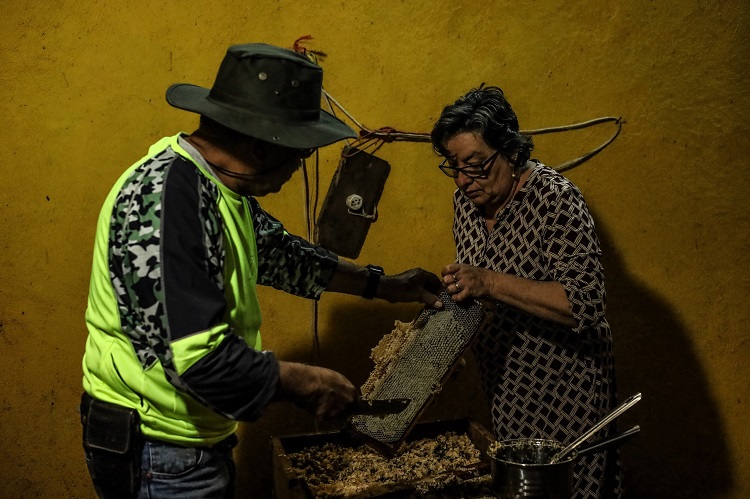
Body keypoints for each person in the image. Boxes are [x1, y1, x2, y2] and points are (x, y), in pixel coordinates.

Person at [80, 43, 442, 499]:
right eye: (300, 152)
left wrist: (386, 286)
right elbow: (199, 362)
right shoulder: (167, 200)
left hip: (185, 442)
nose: (300, 165)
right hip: (157, 449)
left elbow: (283, 255)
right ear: (260, 144)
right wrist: (304, 381)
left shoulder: (215, 189)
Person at [431, 86, 621, 499]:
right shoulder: (466, 204)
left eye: (476, 165)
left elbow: (583, 305)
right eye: (454, 167)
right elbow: (481, 294)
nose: (464, 180)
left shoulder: (555, 199)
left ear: (512, 153)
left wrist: (488, 281)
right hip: (507, 390)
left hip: (567, 389)